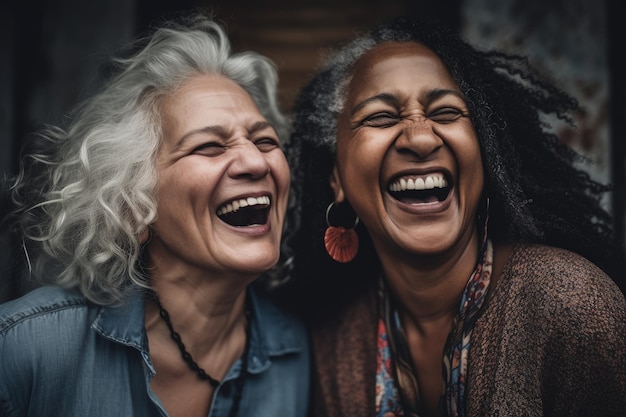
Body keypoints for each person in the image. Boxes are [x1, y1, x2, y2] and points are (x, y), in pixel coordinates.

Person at [277, 16, 626, 417]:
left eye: (445, 112)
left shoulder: (570, 304)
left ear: (486, 156)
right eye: (381, 117)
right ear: (336, 178)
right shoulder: (330, 341)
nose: (421, 138)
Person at [0, 14, 309, 417]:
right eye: (209, 147)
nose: (256, 161)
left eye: (265, 140)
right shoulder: (25, 348)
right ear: (132, 205)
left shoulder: (296, 355)